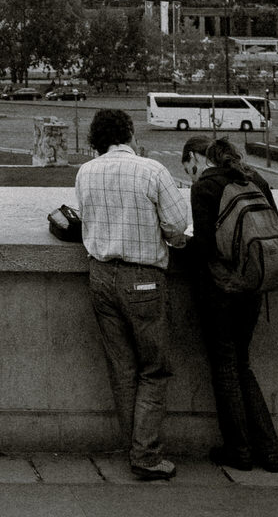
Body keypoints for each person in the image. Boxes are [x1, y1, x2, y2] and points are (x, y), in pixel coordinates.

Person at [74, 107, 189, 482]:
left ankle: (133, 448)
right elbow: (176, 224)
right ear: (129, 134)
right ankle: (145, 455)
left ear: (97, 138)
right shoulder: (151, 170)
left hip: (100, 275)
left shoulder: (85, 172)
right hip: (142, 279)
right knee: (154, 369)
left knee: (122, 370)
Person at [181, 132, 278, 473]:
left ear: (200, 159)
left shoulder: (205, 186)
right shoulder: (256, 178)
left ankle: (239, 450)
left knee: (225, 366)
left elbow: (205, 248)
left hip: (220, 290)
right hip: (253, 286)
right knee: (243, 364)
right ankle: (268, 450)